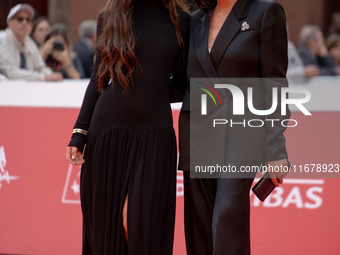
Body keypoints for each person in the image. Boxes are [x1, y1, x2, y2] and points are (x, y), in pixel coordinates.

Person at [66, 0, 190, 254]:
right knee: (109, 231)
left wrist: (149, 91)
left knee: (138, 223)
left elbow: (182, 81)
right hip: (109, 132)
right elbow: (99, 77)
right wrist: (79, 133)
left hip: (155, 135)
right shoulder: (109, 16)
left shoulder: (181, 20)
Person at [178, 0, 290, 255]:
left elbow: (275, 84)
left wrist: (275, 148)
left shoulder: (265, 11)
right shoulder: (196, 19)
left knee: (227, 218)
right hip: (198, 134)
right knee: (200, 230)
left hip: (242, 135)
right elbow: (186, 79)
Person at [0, 3, 62, 81]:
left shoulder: (29, 42)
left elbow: (40, 67)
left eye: (28, 20)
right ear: (9, 23)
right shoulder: (2, 40)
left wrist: (51, 75)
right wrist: (43, 77)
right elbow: (11, 73)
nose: (24, 23)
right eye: (20, 19)